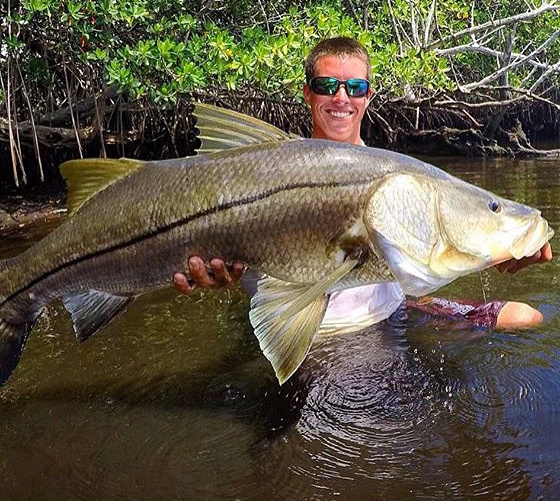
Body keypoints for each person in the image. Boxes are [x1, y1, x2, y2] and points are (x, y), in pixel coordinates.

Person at [173, 37, 553, 331]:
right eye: (327, 85)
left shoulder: (397, 178)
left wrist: (499, 251)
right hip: (315, 333)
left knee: (525, 316)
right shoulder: (259, 171)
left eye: (355, 87)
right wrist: (213, 274)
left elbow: (423, 252)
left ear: (368, 96)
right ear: (308, 93)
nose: (342, 98)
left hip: (390, 315)